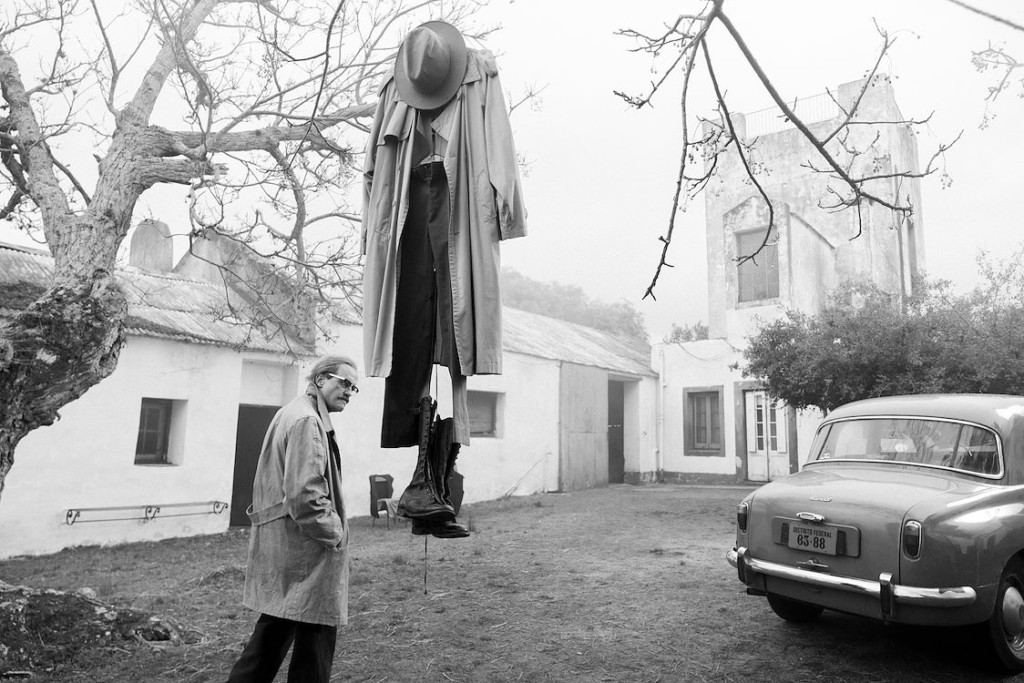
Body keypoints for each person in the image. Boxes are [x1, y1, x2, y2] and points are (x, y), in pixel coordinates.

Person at [225, 355, 359, 683]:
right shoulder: (307, 421)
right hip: (306, 553)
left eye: (354, 388)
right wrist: (335, 533)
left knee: (268, 642)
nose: (349, 392)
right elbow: (305, 495)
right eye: (344, 383)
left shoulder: (294, 412)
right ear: (320, 379)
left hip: (288, 550)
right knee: (314, 647)